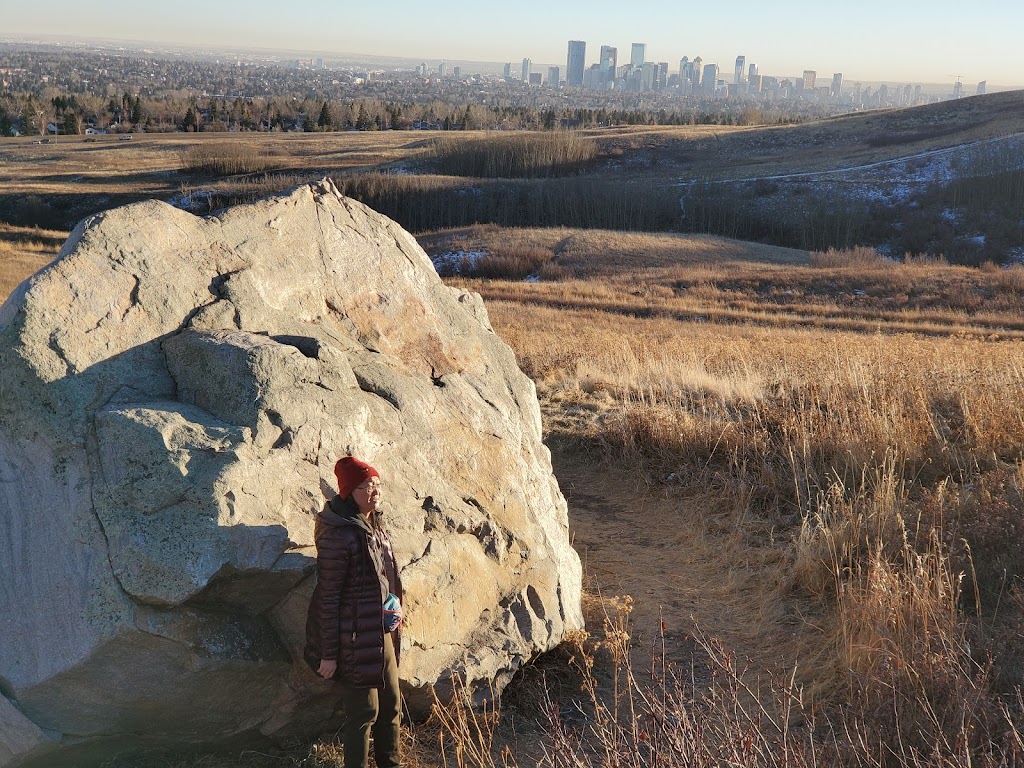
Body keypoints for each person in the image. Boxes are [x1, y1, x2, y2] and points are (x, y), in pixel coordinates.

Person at [305, 456, 404, 768]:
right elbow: (329, 596)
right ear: (349, 491)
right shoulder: (339, 532)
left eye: (377, 484)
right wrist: (329, 655)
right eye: (366, 486)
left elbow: (385, 576)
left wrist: (394, 604)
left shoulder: (373, 522)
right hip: (353, 636)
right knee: (365, 712)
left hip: (381, 630)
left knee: (391, 706)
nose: (374, 491)